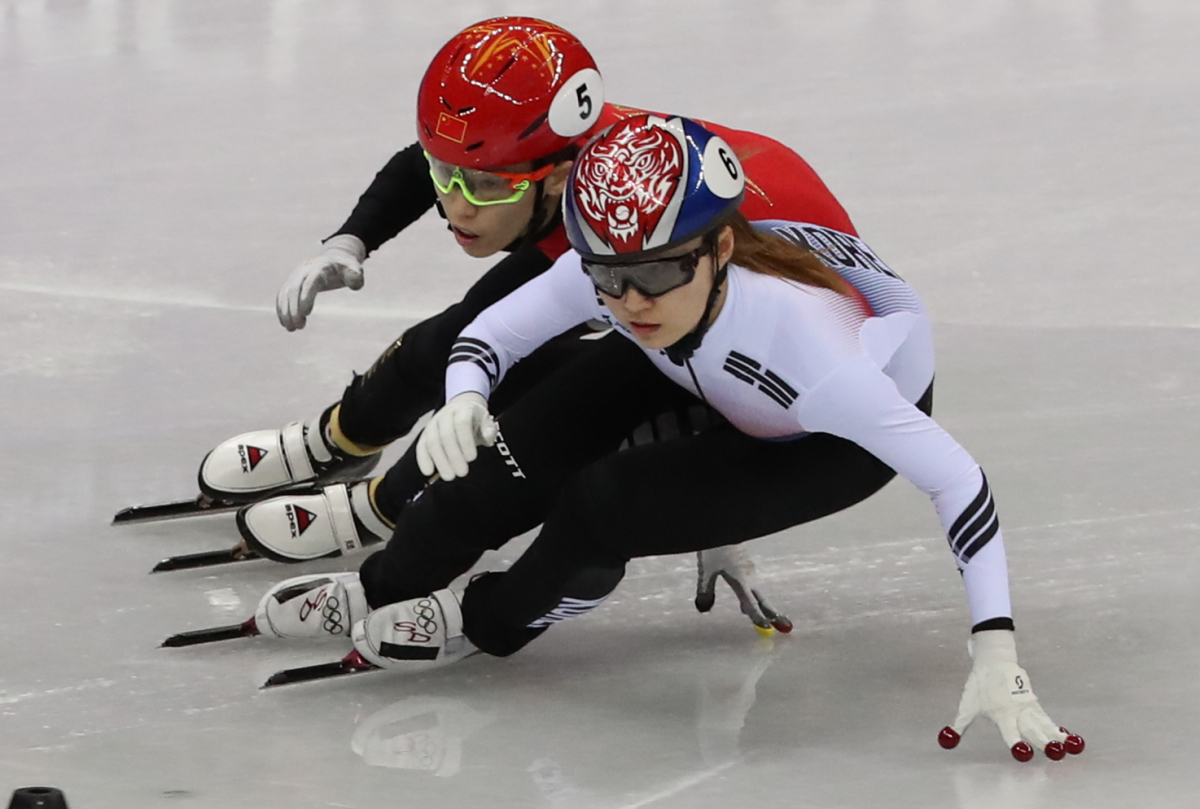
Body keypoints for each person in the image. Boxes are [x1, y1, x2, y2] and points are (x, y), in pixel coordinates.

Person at [250, 114, 1084, 762]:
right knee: (508, 448)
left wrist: (994, 647)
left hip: (814, 441)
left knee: (601, 505)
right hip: (703, 360)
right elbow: (493, 334)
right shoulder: (640, 269)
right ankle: (384, 582)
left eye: (649, 273)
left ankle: (485, 620)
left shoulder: (820, 358)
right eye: (605, 276)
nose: (627, 297)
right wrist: (466, 397)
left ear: (721, 246)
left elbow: (959, 480)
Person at [196, 17, 857, 633]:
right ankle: (346, 452)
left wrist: (713, 512)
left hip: (792, 344)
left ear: (560, 177)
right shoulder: (561, 163)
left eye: (484, 187)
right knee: (483, 357)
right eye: (448, 178)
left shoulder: (625, 223)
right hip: (702, 282)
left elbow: (716, 367)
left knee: (528, 390)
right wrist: (349, 241)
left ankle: (378, 499)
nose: (456, 206)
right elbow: (435, 164)